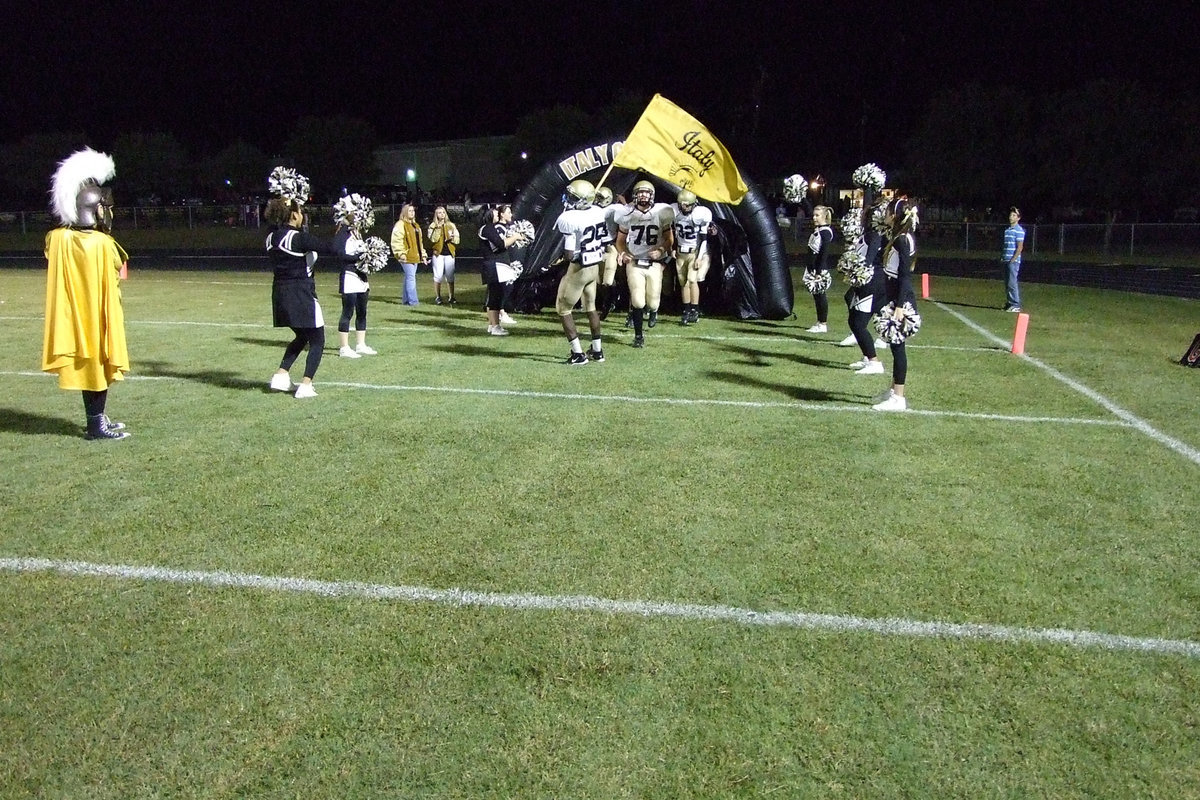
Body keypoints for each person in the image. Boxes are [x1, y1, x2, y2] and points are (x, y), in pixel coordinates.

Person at [41, 148, 131, 440]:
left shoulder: (58, 238)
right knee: (96, 365)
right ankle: (95, 426)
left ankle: (98, 418)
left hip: (74, 314)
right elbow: (118, 264)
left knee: (92, 365)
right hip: (94, 314)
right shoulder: (102, 244)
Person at [264, 167, 334, 399]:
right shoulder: (297, 238)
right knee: (318, 339)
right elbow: (330, 248)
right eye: (301, 211)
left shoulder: (270, 238)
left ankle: (281, 376)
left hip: (280, 295)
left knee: (302, 335)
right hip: (301, 293)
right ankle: (305, 385)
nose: (303, 215)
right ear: (293, 215)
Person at [872, 196, 920, 411]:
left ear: (895, 215)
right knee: (894, 346)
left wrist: (899, 306)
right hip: (895, 294)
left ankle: (898, 398)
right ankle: (893, 391)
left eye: (888, 211)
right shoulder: (900, 236)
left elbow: (905, 276)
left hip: (900, 298)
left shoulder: (901, 240)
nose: (885, 214)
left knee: (898, 347)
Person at [552, 179, 608, 364]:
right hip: (594, 266)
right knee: (590, 307)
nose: (569, 199)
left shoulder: (570, 218)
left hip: (579, 268)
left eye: (573, 196)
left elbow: (569, 254)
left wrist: (561, 258)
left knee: (563, 308)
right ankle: (597, 351)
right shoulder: (598, 212)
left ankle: (578, 354)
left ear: (584, 200)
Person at [615, 179, 674, 347]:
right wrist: (623, 253)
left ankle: (653, 311)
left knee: (653, 302)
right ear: (635, 195)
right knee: (638, 300)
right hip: (634, 261)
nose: (643, 195)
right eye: (640, 192)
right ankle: (638, 336)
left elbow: (670, 239)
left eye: (646, 193)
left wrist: (661, 250)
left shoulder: (662, 212)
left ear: (652, 195)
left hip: (654, 262)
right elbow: (620, 241)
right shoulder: (627, 214)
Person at [332, 193, 376, 358]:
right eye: (355, 213)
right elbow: (337, 252)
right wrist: (358, 258)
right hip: (349, 276)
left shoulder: (357, 232)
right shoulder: (343, 232)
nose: (358, 216)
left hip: (361, 277)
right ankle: (344, 348)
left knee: (362, 311)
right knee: (347, 311)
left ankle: (360, 344)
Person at [478, 205, 528, 335]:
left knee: (497, 295)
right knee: (495, 295)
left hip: (497, 265)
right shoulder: (487, 229)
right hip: (494, 265)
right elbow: (500, 244)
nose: (497, 215)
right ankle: (495, 326)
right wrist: (516, 237)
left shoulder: (489, 228)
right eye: (495, 214)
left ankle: (492, 325)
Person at [670, 189, 714, 325]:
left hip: (694, 251)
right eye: (682, 205)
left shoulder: (700, 214)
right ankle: (686, 310)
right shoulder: (674, 212)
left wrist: (699, 257)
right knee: (683, 282)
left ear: (694, 204)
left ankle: (695, 310)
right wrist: (672, 248)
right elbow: (671, 232)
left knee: (692, 280)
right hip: (680, 252)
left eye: (687, 205)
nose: (685, 207)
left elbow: (703, 238)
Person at [804, 205, 836, 333]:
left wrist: (818, 272)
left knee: (820, 295)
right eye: (814, 215)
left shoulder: (826, 232)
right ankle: (819, 322)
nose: (814, 217)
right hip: (813, 269)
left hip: (819, 270)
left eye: (817, 215)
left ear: (824, 217)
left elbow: (824, 252)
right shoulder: (819, 230)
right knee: (817, 296)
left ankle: (823, 323)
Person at [389, 203, 426, 305]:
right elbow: (396, 240)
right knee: (411, 277)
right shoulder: (400, 224)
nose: (412, 213)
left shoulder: (416, 226)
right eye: (409, 211)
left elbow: (420, 242)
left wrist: (423, 255)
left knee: (408, 277)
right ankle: (413, 301)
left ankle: (405, 300)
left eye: (413, 211)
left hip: (415, 255)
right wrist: (401, 253)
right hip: (406, 256)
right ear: (404, 212)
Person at [426, 205, 460, 305]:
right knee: (438, 276)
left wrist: (452, 238)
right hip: (438, 254)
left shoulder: (451, 225)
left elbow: (457, 240)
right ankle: (438, 297)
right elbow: (433, 239)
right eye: (440, 213)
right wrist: (438, 228)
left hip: (449, 253)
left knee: (450, 276)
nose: (442, 214)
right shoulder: (433, 225)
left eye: (443, 212)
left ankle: (452, 296)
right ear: (436, 215)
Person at [1002, 206, 1025, 311]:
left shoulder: (1019, 230)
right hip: (1006, 259)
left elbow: (1020, 247)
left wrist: (1013, 260)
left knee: (1012, 283)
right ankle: (1009, 302)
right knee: (1007, 283)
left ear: (1018, 218)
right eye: (1011, 215)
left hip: (1013, 261)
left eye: (1014, 215)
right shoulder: (1007, 230)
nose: (1011, 217)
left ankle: (1015, 304)